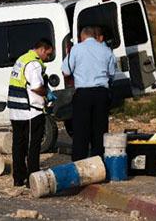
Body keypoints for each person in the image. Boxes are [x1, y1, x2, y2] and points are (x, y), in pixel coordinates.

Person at [62, 26, 116, 161]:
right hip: (101, 94)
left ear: (82, 37)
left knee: (81, 132)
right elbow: (112, 74)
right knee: (100, 132)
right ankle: (98, 165)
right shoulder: (106, 50)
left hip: (83, 94)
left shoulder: (76, 49)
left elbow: (66, 71)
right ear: (95, 36)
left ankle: (79, 165)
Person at [7, 38, 54, 187]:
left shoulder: (22, 59)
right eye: (48, 54)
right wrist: (47, 93)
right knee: (33, 146)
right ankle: (32, 177)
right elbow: (36, 87)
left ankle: (18, 178)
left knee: (18, 145)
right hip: (30, 112)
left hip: (16, 110)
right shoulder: (34, 64)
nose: (48, 58)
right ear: (41, 50)